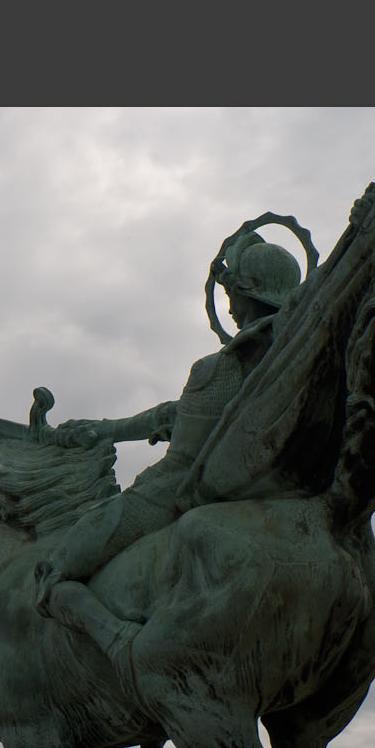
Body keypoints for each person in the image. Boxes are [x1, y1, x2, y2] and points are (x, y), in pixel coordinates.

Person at [34, 234, 302, 623]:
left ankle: (110, 640)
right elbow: (175, 415)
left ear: (245, 292)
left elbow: (180, 469)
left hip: (190, 494)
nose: (228, 303)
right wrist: (105, 430)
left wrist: (127, 499)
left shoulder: (220, 369)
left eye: (231, 289)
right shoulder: (290, 362)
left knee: (59, 565)